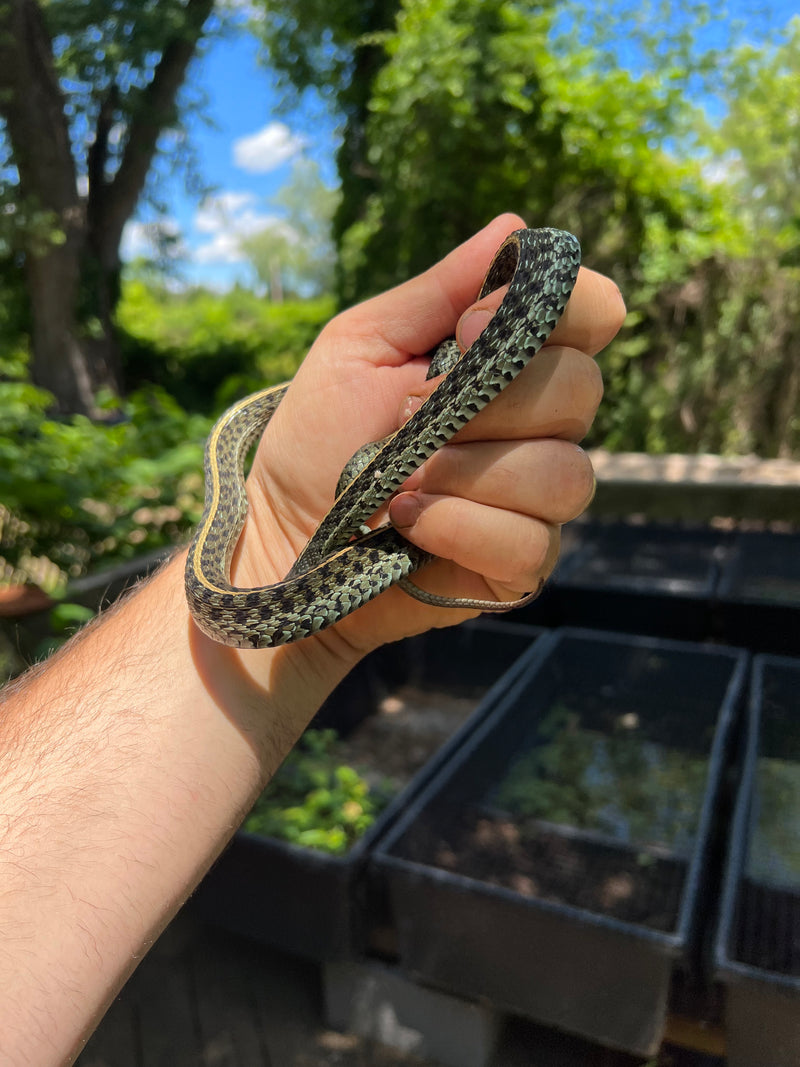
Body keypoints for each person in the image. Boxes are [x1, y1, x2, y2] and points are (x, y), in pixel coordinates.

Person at [0, 213, 624, 1066]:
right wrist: (279, 542)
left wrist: (303, 549)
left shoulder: (391, 451)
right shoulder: (280, 490)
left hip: (350, 520)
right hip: (300, 558)